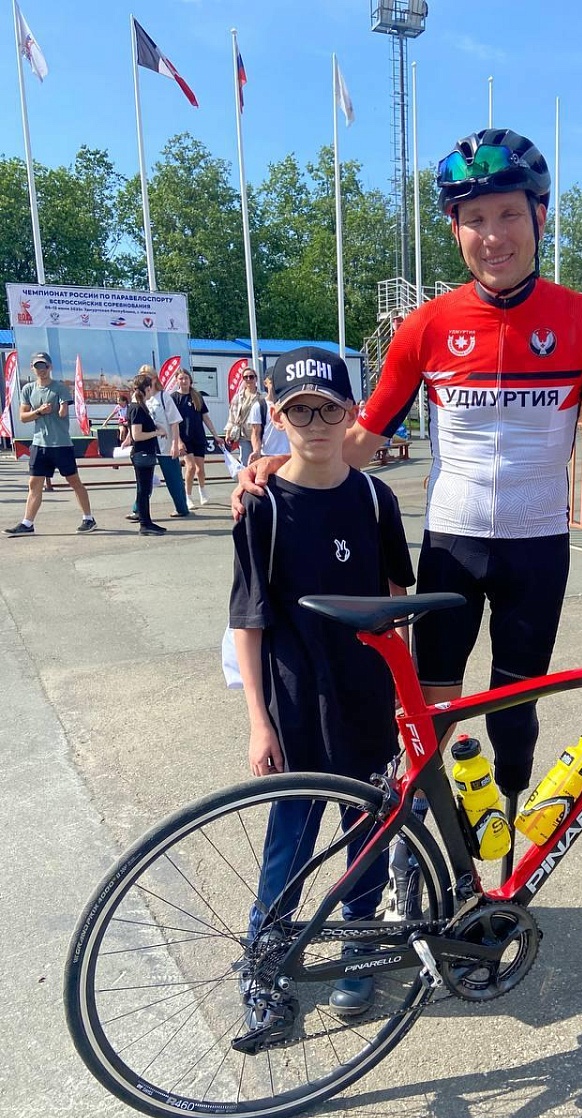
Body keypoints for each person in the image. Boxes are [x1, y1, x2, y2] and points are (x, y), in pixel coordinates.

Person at [234, 127, 582, 837]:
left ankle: (506, 861)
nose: (493, 235)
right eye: (474, 218)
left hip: (537, 548)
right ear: (455, 230)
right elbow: (360, 439)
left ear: (539, 216)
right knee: (433, 713)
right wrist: (284, 468)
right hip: (451, 545)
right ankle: (416, 850)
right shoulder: (427, 325)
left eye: (508, 213)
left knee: (515, 718)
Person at [229, 345, 415, 1019]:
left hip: (365, 693)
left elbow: (395, 600)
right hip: (295, 698)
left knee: (368, 825)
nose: (315, 424)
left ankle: (360, 944)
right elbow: (247, 620)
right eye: (300, 411)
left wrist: (404, 699)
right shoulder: (263, 506)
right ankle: (265, 956)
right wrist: (259, 720)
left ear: (351, 413)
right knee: (292, 833)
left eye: (329, 409)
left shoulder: (374, 498)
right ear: (277, 416)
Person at [5, 351, 97, 536]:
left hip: (61, 444)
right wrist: (39, 411)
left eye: (44, 366)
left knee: (74, 481)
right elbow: (23, 417)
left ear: (50, 367)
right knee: (34, 483)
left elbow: (63, 412)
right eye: (38, 366)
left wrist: (61, 407)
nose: (42, 370)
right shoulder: (28, 389)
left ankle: (88, 518)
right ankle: (27, 523)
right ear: (32, 368)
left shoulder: (59, 388)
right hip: (40, 444)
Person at [170, 367, 220, 506]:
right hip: (184, 438)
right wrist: (178, 441)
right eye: (181, 378)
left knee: (200, 469)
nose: (184, 381)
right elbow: (172, 422)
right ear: (177, 381)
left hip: (198, 436)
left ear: (190, 380)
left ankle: (202, 490)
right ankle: (188, 496)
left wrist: (215, 435)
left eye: (186, 378)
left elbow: (205, 417)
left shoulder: (197, 396)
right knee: (190, 467)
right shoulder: (174, 398)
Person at [127, 374, 167, 537]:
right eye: (151, 387)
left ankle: (147, 522)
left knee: (144, 490)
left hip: (145, 454)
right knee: (143, 491)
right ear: (148, 388)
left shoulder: (140, 406)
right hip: (142, 454)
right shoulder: (137, 408)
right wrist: (156, 432)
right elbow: (137, 435)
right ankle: (145, 524)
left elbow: (142, 427)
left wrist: (155, 426)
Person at [224, 365, 264, 467]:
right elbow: (232, 416)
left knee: (260, 463)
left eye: (251, 377)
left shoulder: (262, 397)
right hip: (244, 435)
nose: (248, 379)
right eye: (245, 377)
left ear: (256, 379)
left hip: (260, 435)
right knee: (245, 463)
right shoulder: (238, 397)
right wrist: (228, 432)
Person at [248, 372, 290, 462]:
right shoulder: (259, 406)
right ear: (265, 383)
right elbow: (256, 433)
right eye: (271, 381)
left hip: (289, 455)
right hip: (267, 455)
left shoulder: (289, 404)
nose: (274, 384)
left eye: (277, 381)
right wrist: (256, 451)